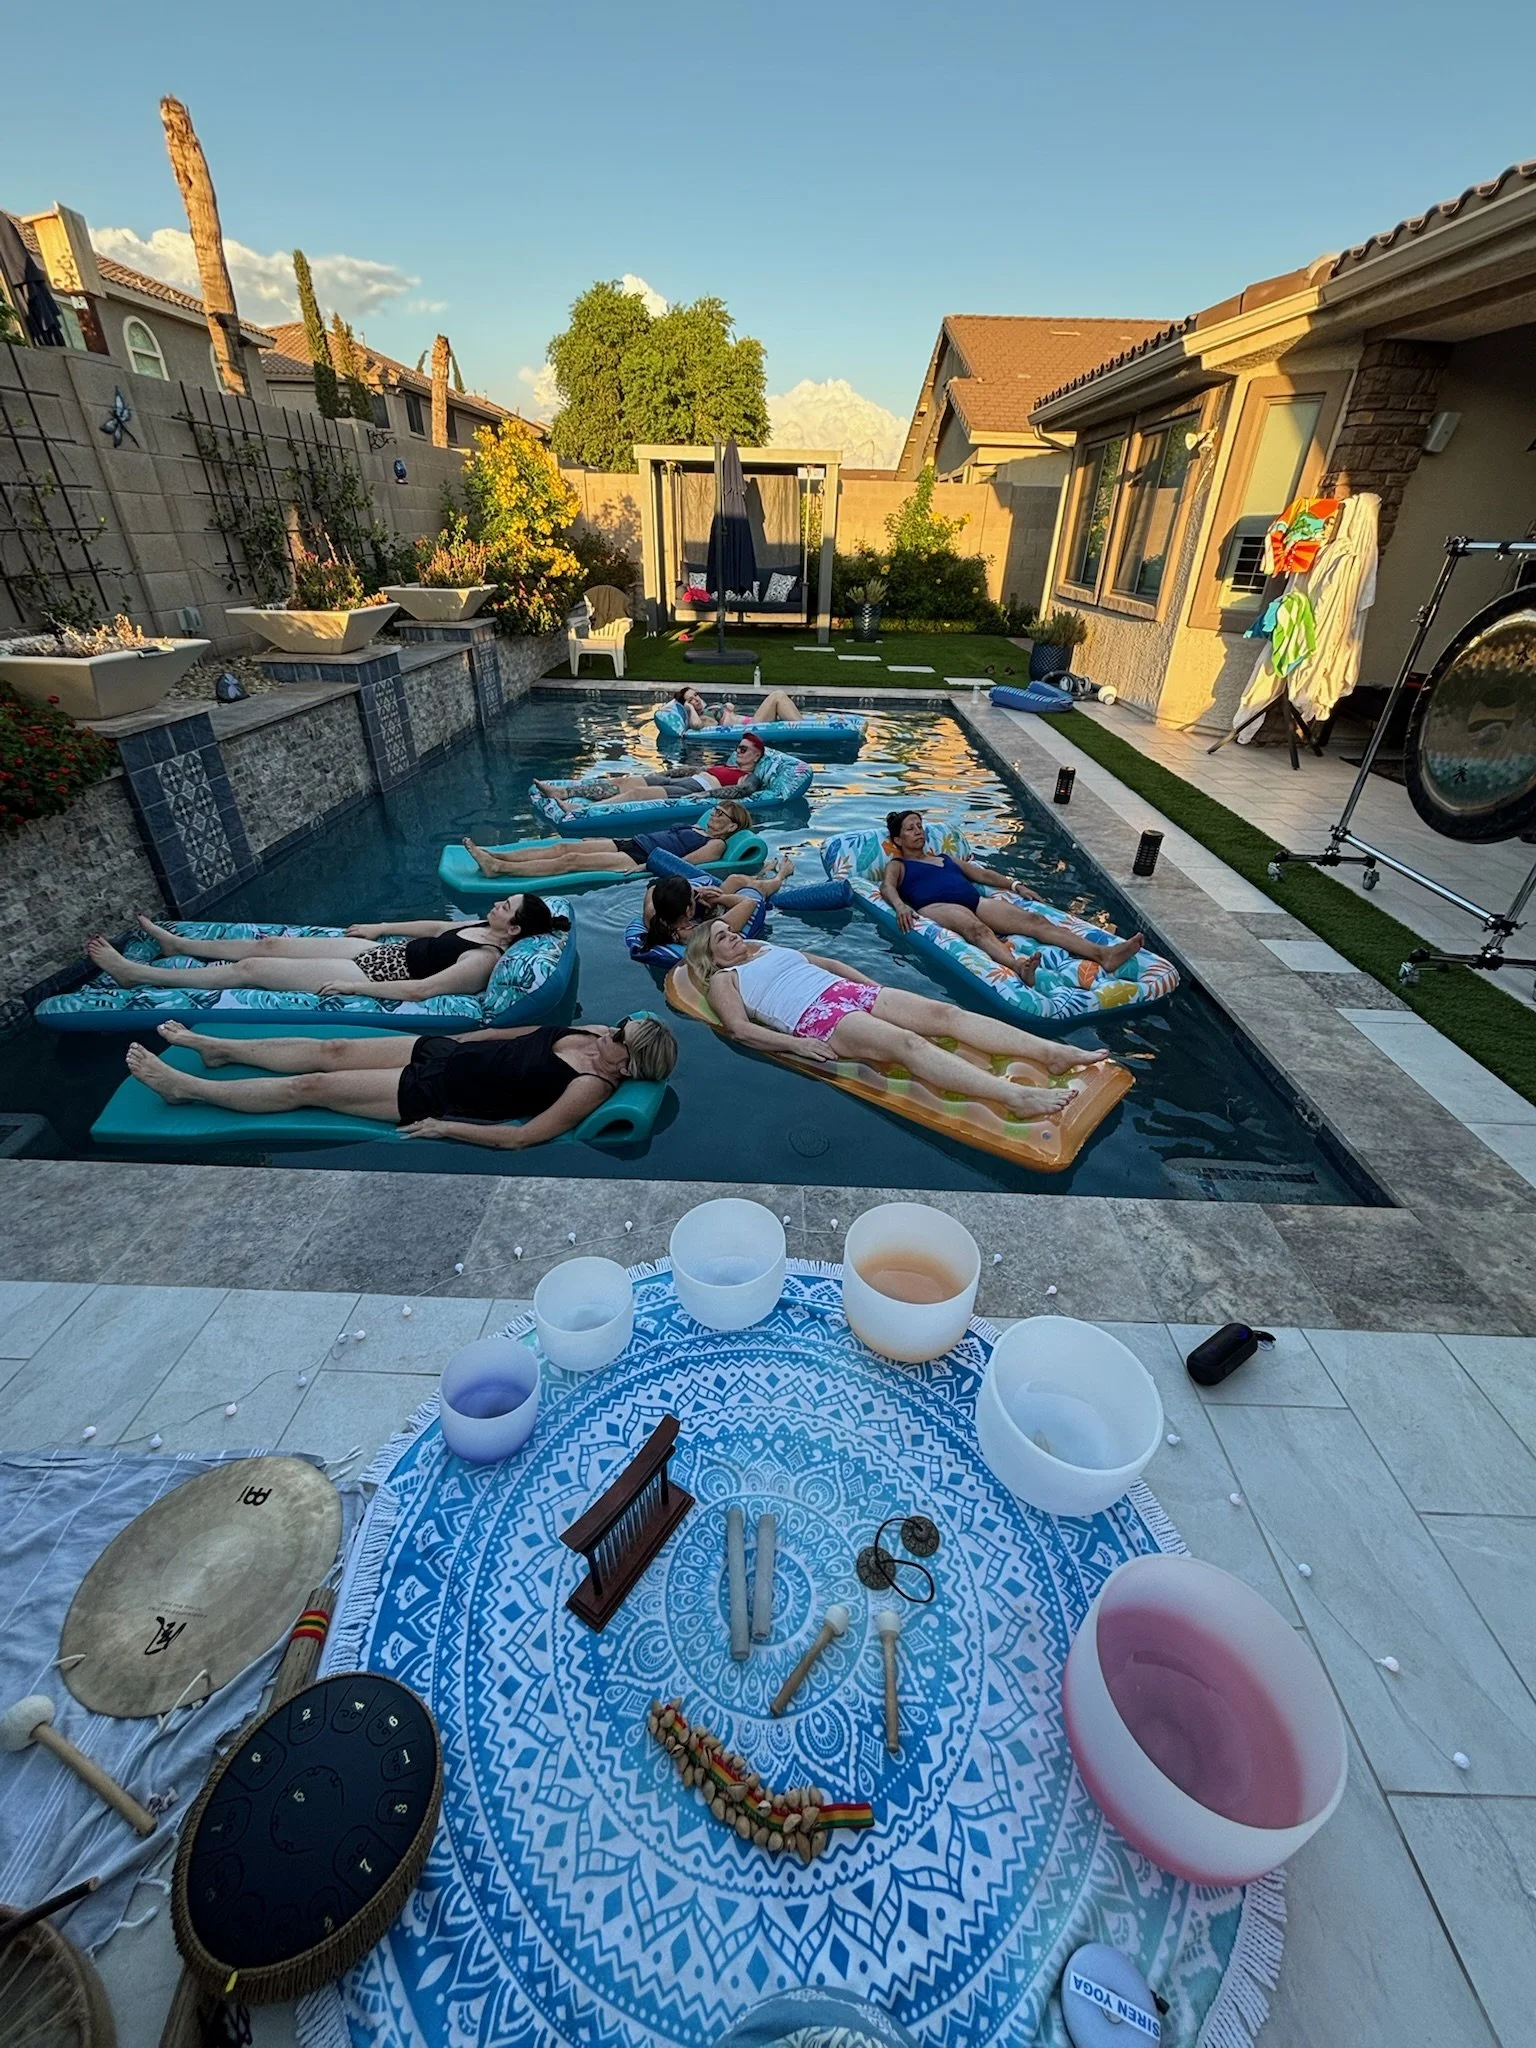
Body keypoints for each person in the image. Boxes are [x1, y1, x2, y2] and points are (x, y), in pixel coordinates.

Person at [684, 921, 1107, 1118]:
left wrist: (874, 989)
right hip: (817, 1017)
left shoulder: (761, 947)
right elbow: (739, 1029)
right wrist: (797, 1045)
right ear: (710, 955)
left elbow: (828, 961)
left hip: (849, 992)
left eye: (730, 929)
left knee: (946, 1013)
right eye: (723, 937)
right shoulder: (725, 978)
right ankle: (1011, 1096)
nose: (734, 936)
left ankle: (1051, 1052)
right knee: (909, 1045)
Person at [123, 1014, 678, 1151]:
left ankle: (187, 1089)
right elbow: (520, 1032)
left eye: (620, 1037)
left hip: (436, 1094)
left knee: (311, 1085)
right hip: (442, 1054)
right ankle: (222, 1050)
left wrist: (444, 1127)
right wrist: (467, 1036)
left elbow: (522, 1137)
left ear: (624, 1066)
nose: (611, 1030)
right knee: (330, 1049)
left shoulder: (589, 1087)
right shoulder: (595, 1032)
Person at [87, 897, 566, 1003]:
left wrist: (354, 985)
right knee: (271, 943)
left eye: (506, 906)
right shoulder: (483, 927)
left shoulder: (482, 960)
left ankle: (139, 976)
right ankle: (177, 943)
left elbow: (426, 989)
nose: (497, 904)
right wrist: (380, 925)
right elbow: (438, 924)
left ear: (514, 928)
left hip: (374, 975)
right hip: (375, 953)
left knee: (253, 968)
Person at [880, 810, 1144, 987]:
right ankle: (1019, 966)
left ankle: (1104, 954)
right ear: (897, 839)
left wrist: (1016, 885)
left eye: (920, 826)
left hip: (974, 901)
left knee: (1035, 920)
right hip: (937, 906)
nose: (918, 831)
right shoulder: (899, 864)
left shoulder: (946, 858)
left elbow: (984, 875)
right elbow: (886, 887)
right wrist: (901, 906)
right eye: (910, 828)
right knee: (977, 929)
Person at [462, 800, 754, 881]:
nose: (713, 815)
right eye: (715, 810)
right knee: (565, 846)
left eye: (720, 814)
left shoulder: (717, 844)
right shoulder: (701, 827)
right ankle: (497, 857)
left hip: (640, 858)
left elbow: (684, 864)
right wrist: (610, 838)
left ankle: (499, 869)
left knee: (570, 861)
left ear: (730, 827)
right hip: (630, 842)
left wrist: (645, 868)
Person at [537, 733, 769, 807]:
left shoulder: (750, 776)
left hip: (696, 789)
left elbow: (743, 792)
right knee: (625, 782)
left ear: (756, 755)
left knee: (637, 795)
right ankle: (564, 793)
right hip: (686, 780)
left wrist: (708, 795)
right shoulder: (726, 765)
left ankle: (579, 809)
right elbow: (694, 768)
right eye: (738, 748)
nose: (738, 751)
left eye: (743, 749)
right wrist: (665, 774)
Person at [639, 854, 795, 954]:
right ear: (688, 910)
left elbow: (653, 888)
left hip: (694, 917)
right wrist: (718, 899)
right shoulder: (705, 931)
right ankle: (781, 875)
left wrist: (695, 891)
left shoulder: (654, 916)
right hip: (709, 920)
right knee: (755, 888)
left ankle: (759, 874)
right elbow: (749, 903)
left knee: (734, 879)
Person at [671, 683, 803, 729]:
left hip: (751, 722)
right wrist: (689, 708)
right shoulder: (702, 718)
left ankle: (801, 724)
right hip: (752, 728)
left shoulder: (708, 709)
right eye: (691, 699)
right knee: (777, 695)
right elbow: (696, 725)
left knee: (779, 697)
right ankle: (803, 727)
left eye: (696, 695)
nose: (696, 699)